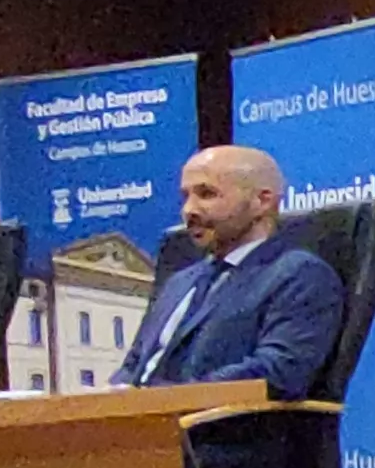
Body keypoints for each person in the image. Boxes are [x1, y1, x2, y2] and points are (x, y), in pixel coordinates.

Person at [111, 146, 344, 402]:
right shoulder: (179, 282)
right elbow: (134, 365)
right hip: (141, 430)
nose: (189, 210)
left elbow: (279, 371)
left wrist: (175, 398)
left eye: (206, 194)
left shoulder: (299, 275)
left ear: (262, 201)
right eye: (185, 196)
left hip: (219, 433)